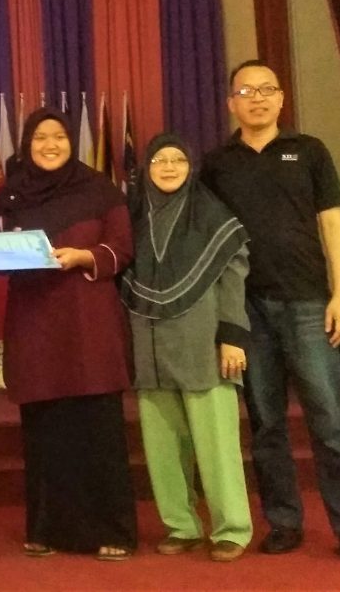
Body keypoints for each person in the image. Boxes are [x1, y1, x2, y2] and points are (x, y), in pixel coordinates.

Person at [201, 59, 340, 562]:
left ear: (280, 98)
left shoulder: (309, 150)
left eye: (266, 89)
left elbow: (333, 225)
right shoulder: (217, 164)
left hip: (309, 302)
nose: (257, 98)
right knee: (266, 423)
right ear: (231, 103)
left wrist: (339, 295)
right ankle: (284, 521)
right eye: (246, 91)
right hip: (247, 309)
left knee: (329, 419)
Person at [0, 107, 137, 561]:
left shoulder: (99, 189)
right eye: (40, 137)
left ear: (72, 142)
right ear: (26, 144)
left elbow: (122, 249)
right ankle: (47, 529)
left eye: (58, 136)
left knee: (98, 430)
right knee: (45, 431)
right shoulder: (12, 193)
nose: (50, 145)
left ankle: (113, 531)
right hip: (34, 323)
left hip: (87, 322)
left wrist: (83, 256)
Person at [121, 133, 253, 562]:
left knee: (216, 442)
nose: (169, 167)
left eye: (177, 159)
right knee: (162, 444)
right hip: (149, 344)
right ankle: (181, 525)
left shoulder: (212, 214)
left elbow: (233, 277)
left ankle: (232, 528)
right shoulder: (133, 215)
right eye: (159, 160)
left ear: (191, 166)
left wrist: (232, 337)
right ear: (146, 168)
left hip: (203, 340)